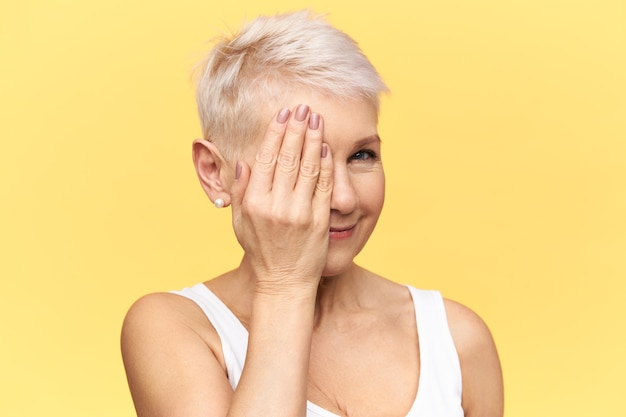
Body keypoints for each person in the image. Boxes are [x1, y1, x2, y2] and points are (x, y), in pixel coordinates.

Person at [121, 10, 503, 417]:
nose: (341, 198)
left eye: (362, 155)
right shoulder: (171, 328)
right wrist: (285, 284)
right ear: (215, 173)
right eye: (301, 160)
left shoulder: (457, 340)